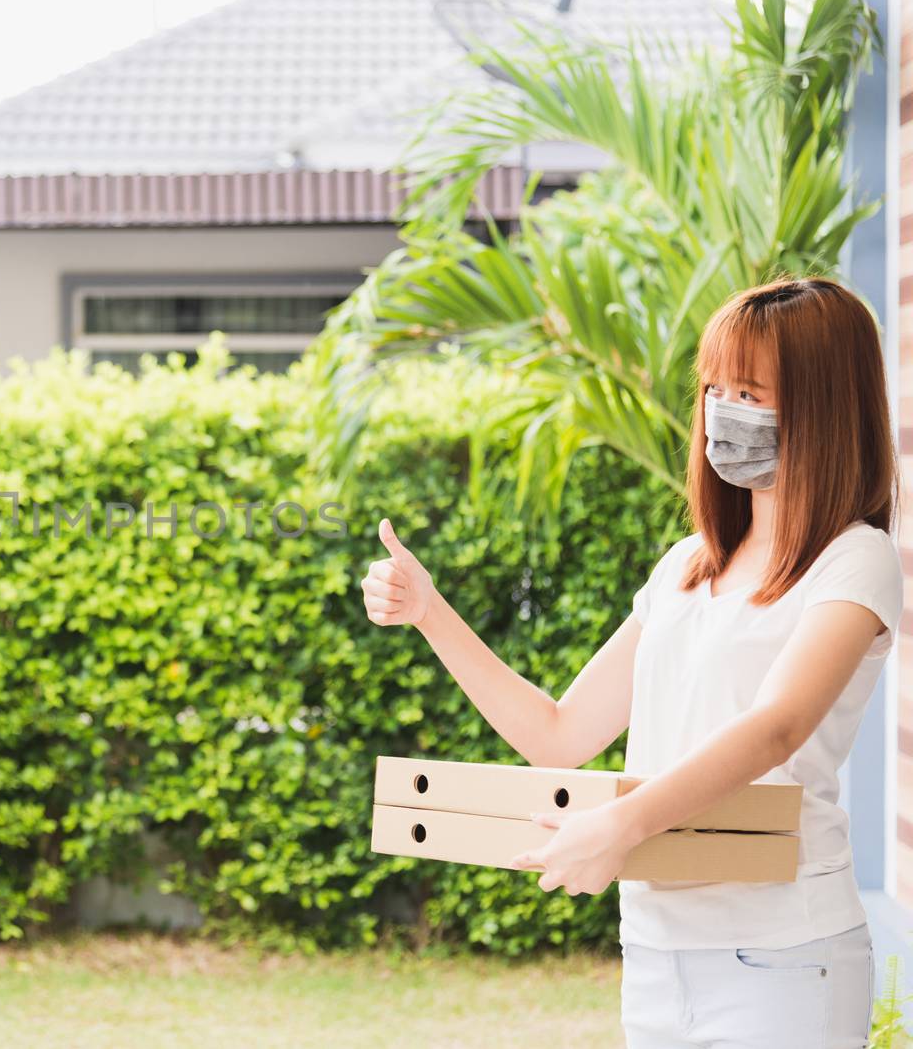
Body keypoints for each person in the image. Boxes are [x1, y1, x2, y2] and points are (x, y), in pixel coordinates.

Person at [361, 276, 900, 1047]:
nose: (722, 411)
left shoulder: (856, 560)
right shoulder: (686, 566)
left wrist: (621, 824)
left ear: (822, 408)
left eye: (749, 391)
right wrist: (429, 612)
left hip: (784, 957)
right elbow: (557, 734)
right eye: (716, 387)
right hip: (655, 950)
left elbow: (777, 727)